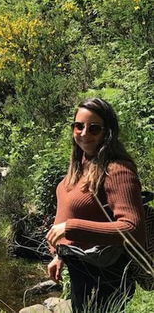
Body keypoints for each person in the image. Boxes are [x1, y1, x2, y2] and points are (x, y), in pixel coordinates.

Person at [46, 98, 146, 312]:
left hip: (105, 279)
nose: (84, 133)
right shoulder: (80, 164)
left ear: (107, 132)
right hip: (80, 274)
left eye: (94, 128)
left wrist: (70, 228)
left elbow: (131, 228)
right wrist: (58, 254)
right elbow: (70, 207)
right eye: (78, 126)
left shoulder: (117, 170)